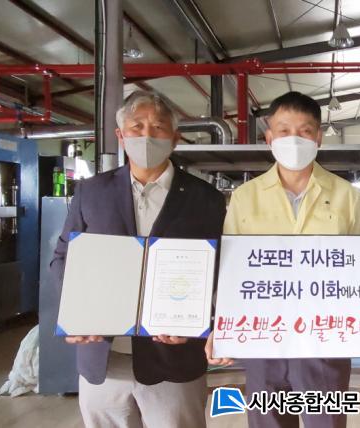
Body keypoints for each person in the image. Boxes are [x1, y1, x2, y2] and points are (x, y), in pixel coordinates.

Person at [50, 90, 226, 428]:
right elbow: (63, 258)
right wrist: (75, 313)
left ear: (175, 138)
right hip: (103, 357)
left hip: (174, 358)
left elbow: (220, 271)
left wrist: (200, 321)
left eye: (158, 127)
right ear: (121, 136)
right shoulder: (92, 192)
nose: (147, 135)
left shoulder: (205, 199)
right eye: (137, 126)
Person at [205, 91, 360, 428]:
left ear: (318, 138)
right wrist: (220, 327)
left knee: (325, 423)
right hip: (263, 339)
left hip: (324, 340)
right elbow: (231, 271)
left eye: (304, 131)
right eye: (284, 131)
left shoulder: (346, 196)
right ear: (269, 138)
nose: (294, 139)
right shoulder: (245, 197)